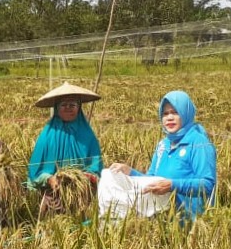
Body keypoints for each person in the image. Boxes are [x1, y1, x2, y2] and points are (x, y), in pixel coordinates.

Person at [103, 89, 216, 222]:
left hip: (190, 222)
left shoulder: (198, 142)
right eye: (165, 113)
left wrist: (172, 185)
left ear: (185, 113)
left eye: (175, 112)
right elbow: (152, 180)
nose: (169, 118)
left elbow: (208, 185)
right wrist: (130, 172)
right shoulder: (163, 144)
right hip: (164, 218)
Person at [27, 82, 103, 215]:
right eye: (63, 105)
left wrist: (86, 176)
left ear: (79, 108)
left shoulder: (87, 135)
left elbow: (96, 166)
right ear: (57, 108)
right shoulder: (47, 136)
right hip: (52, 195)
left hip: (82, 194)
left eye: (72, 105)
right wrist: (49, 179)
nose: (68, 108)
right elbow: (35, 170)